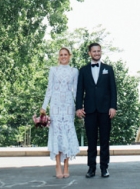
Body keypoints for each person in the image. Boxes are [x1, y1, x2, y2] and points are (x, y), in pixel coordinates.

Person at [76, 42, 117, 178]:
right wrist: (78, 108)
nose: (97, 53)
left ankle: (104, 168)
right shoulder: (83, 70)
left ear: (101, 52)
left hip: (105, 110)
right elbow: (79, 90)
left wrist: (113, 107)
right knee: (91, 141)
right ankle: (91, 168)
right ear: (89, 53)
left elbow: (113, 90)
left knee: (105, 140)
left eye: (99, 51)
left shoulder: (108, 69)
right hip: (90, 110)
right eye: (94, 51)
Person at [41, 47, 80, 179]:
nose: (63, 56)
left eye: (65, 54)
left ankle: (67, 165)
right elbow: (49, 88)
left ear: (70, 56)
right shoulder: (53, 70)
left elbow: (76, 90)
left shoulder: (74, 71)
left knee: (67, 133)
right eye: (61, 55)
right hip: (56, 105)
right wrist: (44, 106)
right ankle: (57, 165)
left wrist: (79, 107)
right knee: (57, 133)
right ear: (58, 57)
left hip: (68, 105)